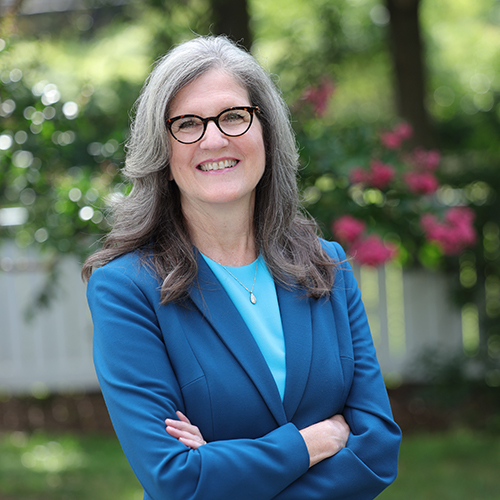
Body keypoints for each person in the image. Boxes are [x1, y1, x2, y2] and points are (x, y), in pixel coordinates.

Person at [83, 35, 401, 500]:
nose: (215, 139)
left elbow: (377, 452)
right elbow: (176, 479)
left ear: (266, 134)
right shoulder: (126, 289)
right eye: (188, 124)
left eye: (234, 116)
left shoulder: (327, 265)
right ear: (163, 155)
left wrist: (222, 464)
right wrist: (310, 443)